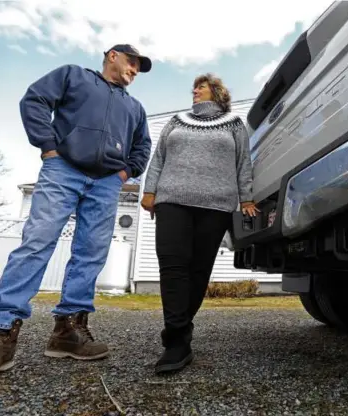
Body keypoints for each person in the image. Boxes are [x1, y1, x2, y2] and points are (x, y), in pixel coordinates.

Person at [0, 44, 153, 387]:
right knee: (37, 242)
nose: (134, 70)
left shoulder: (134, 107)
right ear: (112, 55)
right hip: (63, 170)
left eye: (139, 67)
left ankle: (69, 331)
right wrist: (49, 146)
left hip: (106, 182)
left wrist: (125, 173)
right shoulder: (73, 75)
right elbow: (34, 100)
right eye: (132, 62)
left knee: (91, 253)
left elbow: (142, 146)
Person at [140, 73, 258, 374]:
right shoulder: (177, 121)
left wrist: (246, 199)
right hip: (171, 201)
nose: (194, 90)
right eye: (194, 87)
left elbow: (244, 162)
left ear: (217, 92)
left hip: (216, 205)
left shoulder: (234, 124)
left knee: (198, 269)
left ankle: (178, 331)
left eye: (201, 86)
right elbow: (158, 158)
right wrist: (150, 191)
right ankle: (177, 342)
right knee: (172, 265)